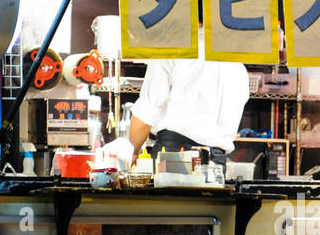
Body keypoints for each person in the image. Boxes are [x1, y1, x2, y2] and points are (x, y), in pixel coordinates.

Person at [103, 55, 250, 167]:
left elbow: (147, 110)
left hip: (174, 158)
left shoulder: (173, 50)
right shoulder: (237, 64)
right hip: (215, 163)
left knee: (172, 207)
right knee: (208, 207)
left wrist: (133, 152)